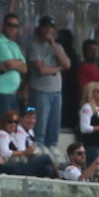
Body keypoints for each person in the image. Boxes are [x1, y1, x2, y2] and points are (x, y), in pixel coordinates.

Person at [25, 15, 70, 147]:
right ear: (40, 28)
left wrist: (54, 45)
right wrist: (57, 68)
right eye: (45, 27)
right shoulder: (34, 46)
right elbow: (41, 69)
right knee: (40, 126)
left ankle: (52, 150)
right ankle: (38, 149)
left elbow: (67, 64)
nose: (48, 30)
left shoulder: (58, 47)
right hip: (40, 90)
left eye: (51, 27)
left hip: (56, 91)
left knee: (54, 126)